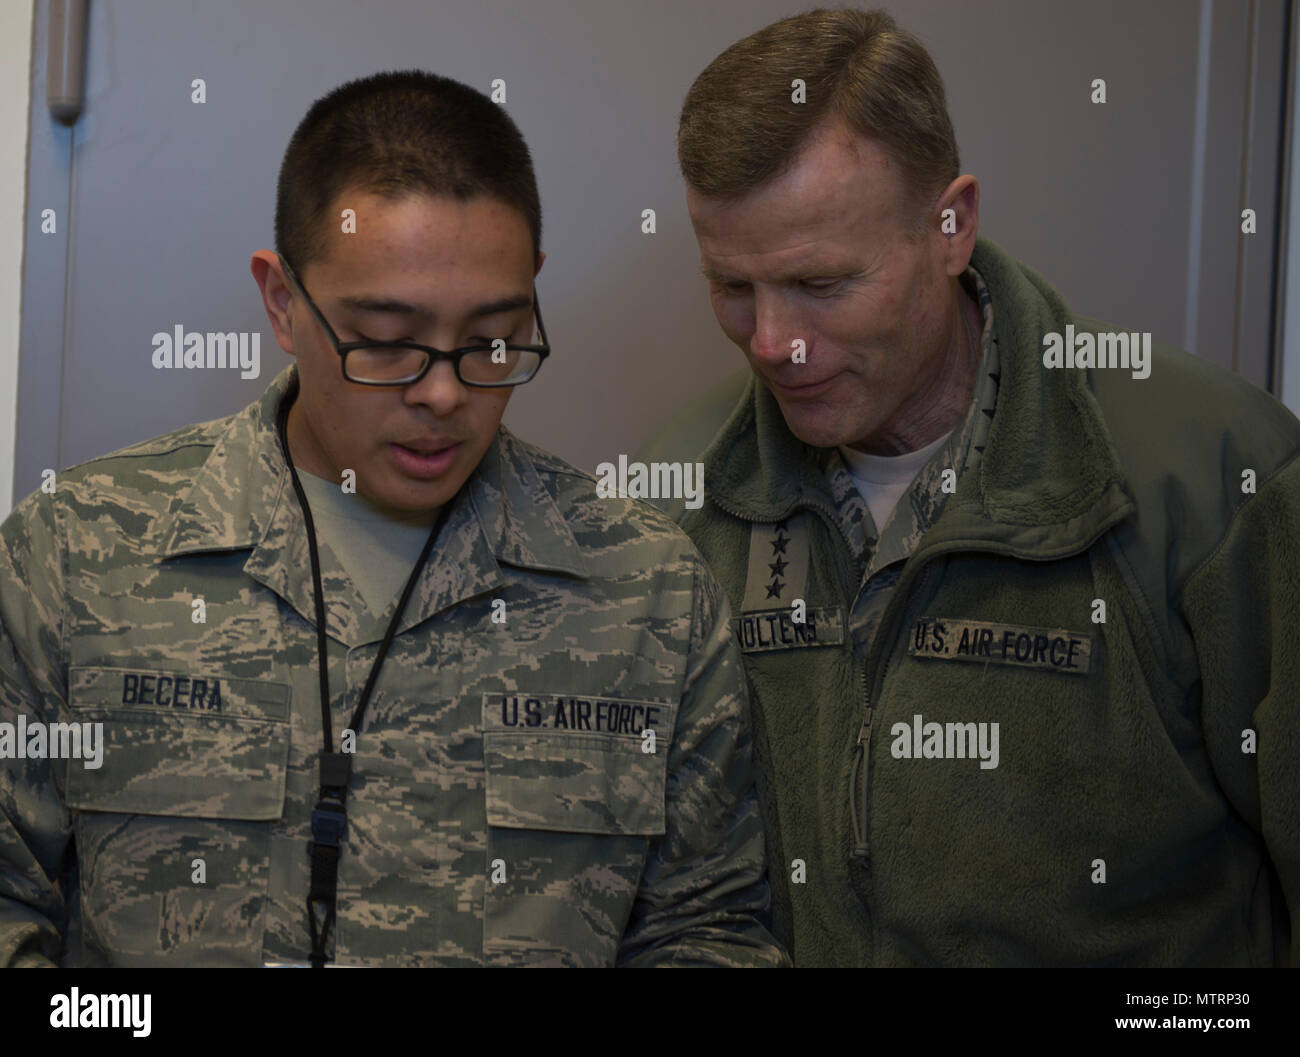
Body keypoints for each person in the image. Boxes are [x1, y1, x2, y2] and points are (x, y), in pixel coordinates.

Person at [0, 70, 786, 968]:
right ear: (283, 302)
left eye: (491, 338)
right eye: (385, 339)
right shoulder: (74, 556)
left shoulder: (650, 594)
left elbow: (709, 932)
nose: (445, 393)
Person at [636, 8, 1300, 966]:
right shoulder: (681, 498)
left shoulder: (1218, 475)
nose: (772, 341)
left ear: (952, 225)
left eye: (820, 283)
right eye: (733, 285)